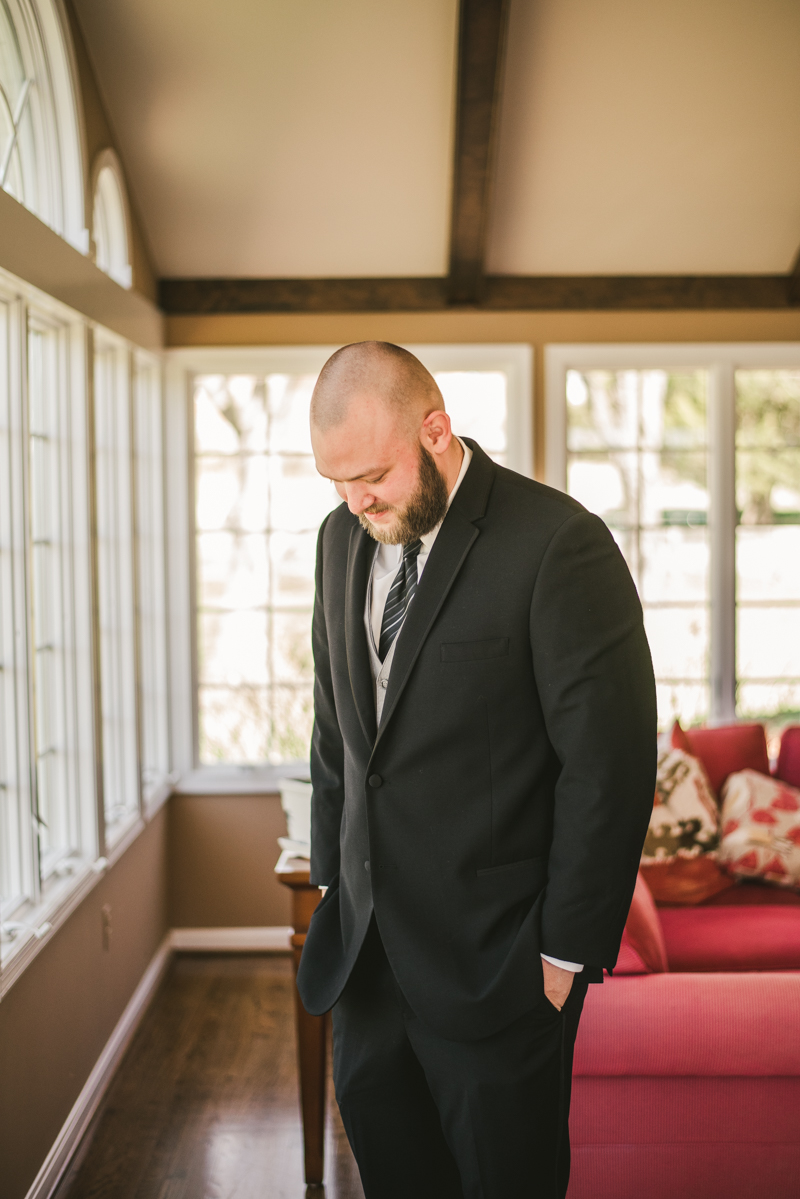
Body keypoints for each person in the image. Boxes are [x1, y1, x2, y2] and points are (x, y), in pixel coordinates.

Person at [297, 341, 656, 1199]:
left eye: (374, 473)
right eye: (337, 482)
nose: (358, 500)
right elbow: (337, 734)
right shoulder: (339, 539)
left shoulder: (559, 543)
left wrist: (563, 956)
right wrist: (332, 890)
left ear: (436, 429)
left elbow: (607, 765)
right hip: (370, 969)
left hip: (500, 972)